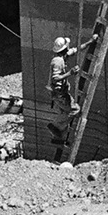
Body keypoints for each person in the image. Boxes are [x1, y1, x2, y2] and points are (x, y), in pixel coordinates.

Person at [45, 30, 99, 164]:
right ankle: (55, 126)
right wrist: (69, 73)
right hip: (59, 93)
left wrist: (90, 42)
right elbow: (55, 78)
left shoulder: (63, 56)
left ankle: (59, 135)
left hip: (61, 92)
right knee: (74, 110)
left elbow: (76, 49)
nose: (69, 48)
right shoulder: (57, 62)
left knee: (66, 112)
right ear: (64, 48)